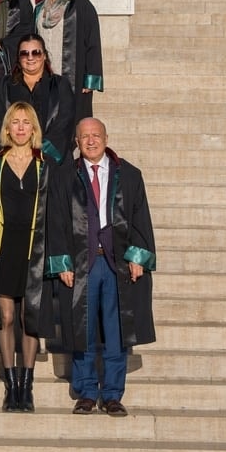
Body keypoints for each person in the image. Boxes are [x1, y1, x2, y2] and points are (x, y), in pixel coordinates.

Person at [51, 117, 156, 417]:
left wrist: (137, 256)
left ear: (106, 138)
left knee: (116, 330)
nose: (91, 141)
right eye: (84, 136)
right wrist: (62, 261)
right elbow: (56, 221)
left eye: (96, 135)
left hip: (116, 263)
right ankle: (85, 392)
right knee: (81, 328)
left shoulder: (130, 175)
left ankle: (112, 394)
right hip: (82, 261)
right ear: (77, 141)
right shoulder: (64, 176)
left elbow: (140, 218)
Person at [0, 102, 56, 412]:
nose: (21, 127)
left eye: (27, 122)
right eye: (15, 122)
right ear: (7, 128)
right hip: (4, 247)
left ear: (34, 128)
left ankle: (27, 385)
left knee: (29, 318)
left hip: (33, 246)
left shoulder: (46, 164)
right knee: (7, 318)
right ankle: (11, 385)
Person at [33, 0, 103, 123]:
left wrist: (91, 78)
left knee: (73, 123)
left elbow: (92, 41)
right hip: (45, 76)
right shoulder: (39, 7)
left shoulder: (81, 4)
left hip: (74, 76)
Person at [3, 34, 76, 165]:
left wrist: (41, 152)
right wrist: (19, 152)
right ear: (18, 58)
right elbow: (0, 120)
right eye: (24, 53)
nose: (30, 57)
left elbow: (64, 122)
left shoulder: (60, 85)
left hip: (52, 162)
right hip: (14, 160)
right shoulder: (5, 85)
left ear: (44, 56)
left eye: (36, 53)